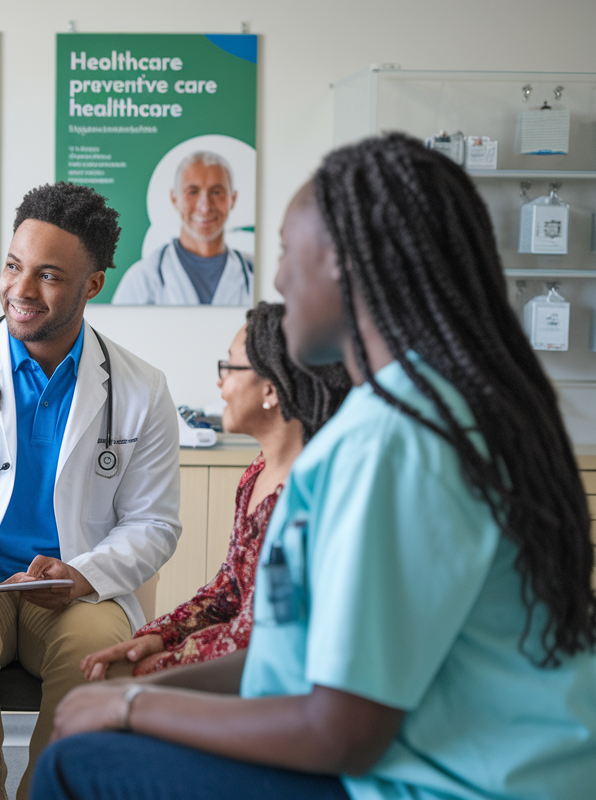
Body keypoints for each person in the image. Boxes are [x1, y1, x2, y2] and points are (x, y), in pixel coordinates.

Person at [35, 134, 596, 800]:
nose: (276, 280)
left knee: (77, 762)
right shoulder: (438, 408)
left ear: (345, 265)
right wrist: (158, 685)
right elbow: (296, 656)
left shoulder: (392, 441)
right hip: (495, 763)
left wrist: (132, 706)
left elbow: (342, 731)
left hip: (444, 785)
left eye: (284, 251)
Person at [0, 181, 183, 799]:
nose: (20, 290)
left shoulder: (141, 388)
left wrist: (83, 573)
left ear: (92, 285)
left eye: (48, 276)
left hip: (71, 591)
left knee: (105, 652)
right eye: (15, 266)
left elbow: (154, 524)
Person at [79, 303, 350, 681]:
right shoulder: (258, 472)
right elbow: (229, 590)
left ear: (270, 387)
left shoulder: (307, 495)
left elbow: (260, 631)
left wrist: (164, 665)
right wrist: (158, 637)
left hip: (277, 680)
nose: (220, 383)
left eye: (230, 367)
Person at [111, 150, 254, 306]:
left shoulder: (256, 275)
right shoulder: (142, 279)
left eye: (216, 192)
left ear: (232, 199)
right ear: (175, 199)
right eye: (192, 192)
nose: (205, 207)